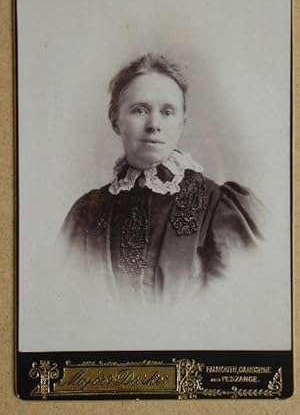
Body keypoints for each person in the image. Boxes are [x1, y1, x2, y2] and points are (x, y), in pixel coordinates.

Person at [62, 53, 263, 302]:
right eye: (139, 110)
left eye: (167, 112)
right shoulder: (85, 214)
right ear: (115, 120)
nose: (154, 123)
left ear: (182, 122)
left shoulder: (219, 207)